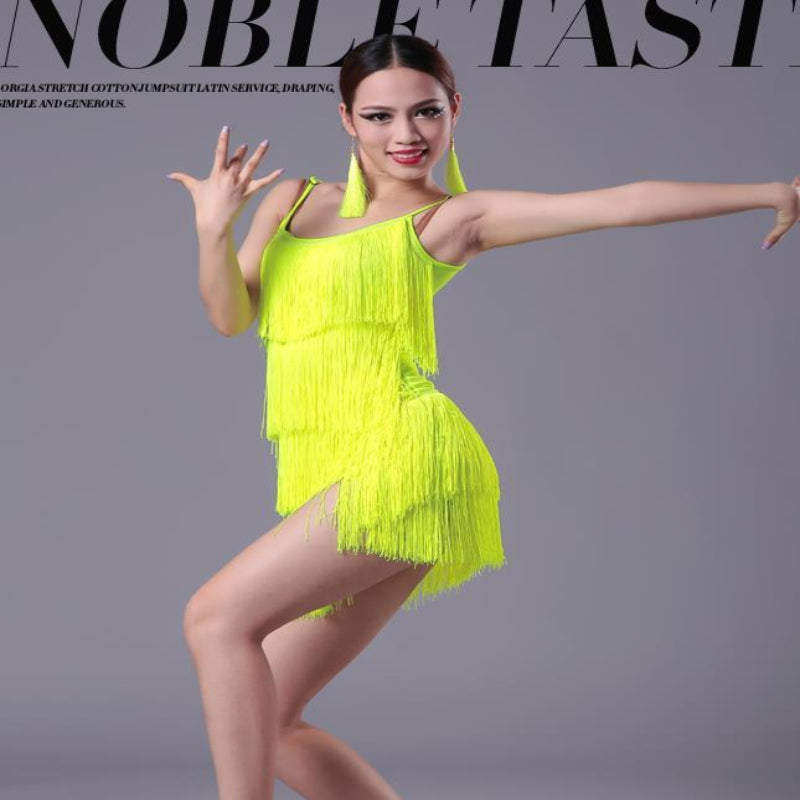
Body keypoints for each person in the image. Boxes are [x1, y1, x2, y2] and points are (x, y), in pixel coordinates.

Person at [168, 32, 799, 800]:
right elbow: (229, 315)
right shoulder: (292, 200)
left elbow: (617, 206)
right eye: (380, 117)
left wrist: (771, 190)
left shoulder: (456, 218)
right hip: (348, 467)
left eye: (426, 112)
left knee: (214, 618)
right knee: (264, 714)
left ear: (454, 110)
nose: (406, 136)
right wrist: (212, 230)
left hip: (407, 461)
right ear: (347, 121)